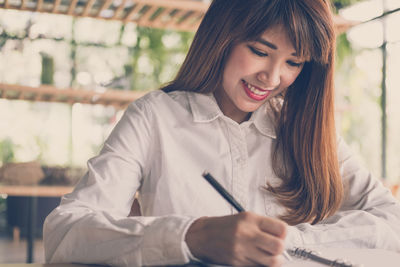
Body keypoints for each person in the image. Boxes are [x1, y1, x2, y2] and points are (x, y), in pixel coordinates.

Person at [43, 0, 400, 266]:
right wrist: (192, 236)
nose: (273, 78)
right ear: (222, 37)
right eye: (260, 51)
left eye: (293, 62)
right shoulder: (155, 117)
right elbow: (65, 232)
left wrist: (288, 239)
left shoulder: (303, 128)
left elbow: (393, 222)